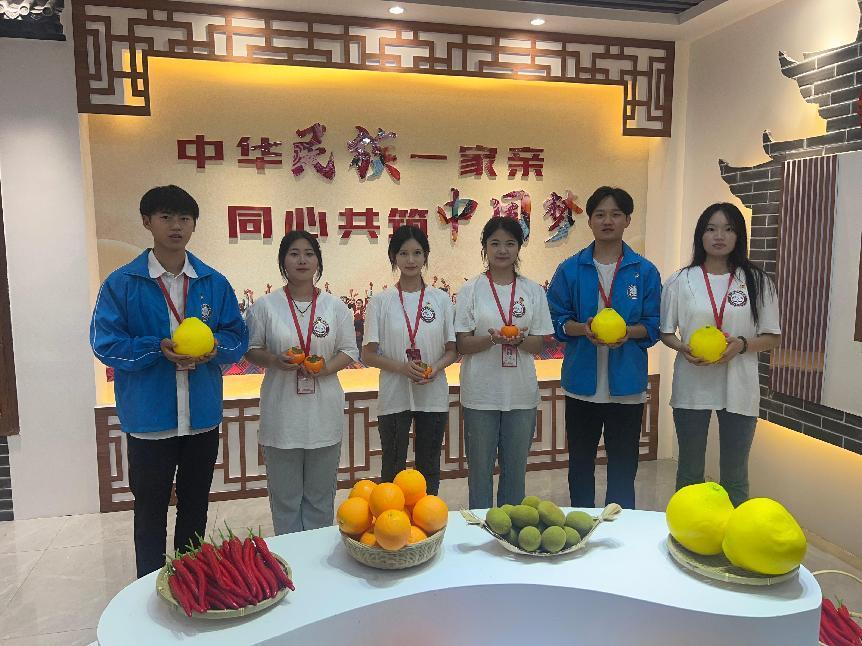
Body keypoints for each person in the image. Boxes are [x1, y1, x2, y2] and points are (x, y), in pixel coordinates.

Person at [90, 185, 248, 577]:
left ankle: (190, 582)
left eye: (184, 218)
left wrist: (215, 348)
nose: (176, 226)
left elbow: (237, 335)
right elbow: (104, 343)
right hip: (149, 421)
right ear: (147, 222)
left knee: (195, 506)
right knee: (149, 511)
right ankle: (148, 588)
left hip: (201, 419)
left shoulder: (213, 282)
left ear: (194, 224)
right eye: (165, 217)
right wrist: (154, 348)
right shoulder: (122, 283)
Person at [547, 186, 661, 510]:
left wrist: (628, 332)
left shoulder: (644, 271)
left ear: (627, 220)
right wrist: (582, 329)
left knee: (623, 470)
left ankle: (620, 532)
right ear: (590, 221)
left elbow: (654, 325)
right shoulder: (570, 269)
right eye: (600, 214)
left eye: (615, 214)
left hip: (627, 387)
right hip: (581, 386)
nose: (607, 221)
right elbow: (555, 320)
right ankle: (582, 527)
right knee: (580, 466)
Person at [660, 202, 781, 506]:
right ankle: (686, 530)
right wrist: (682, 347)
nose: (719, 236)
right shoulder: (680, 281)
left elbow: (772, 337)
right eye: (711, 229)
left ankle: (733, 531)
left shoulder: (756, 281)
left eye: (728, 229)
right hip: (692, 385)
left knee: (735, 474)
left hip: (739, 385)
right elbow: (666, 332)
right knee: (689, 471)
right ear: (700, 235)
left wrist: (742, 345)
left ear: (739, 236)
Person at [245, 231, 358, 534]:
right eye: (294, 253)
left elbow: (349, 350)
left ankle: (315, 555)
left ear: (318, 261)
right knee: (285, 499)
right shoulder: (265, 306)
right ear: (283, 261)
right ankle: (289, 556)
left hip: (324, 413)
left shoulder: (335, 307)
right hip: (282, 414)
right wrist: (274, 360)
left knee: (321, 498)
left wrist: (325, 369)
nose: (302, 260)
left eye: (309, 253)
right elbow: (251, 349)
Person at [455, 216, 554, 508]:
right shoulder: (471, 290)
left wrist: (518, 341)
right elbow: (462, 344)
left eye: (510, 243)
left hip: (521, 395)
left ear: (519, 247)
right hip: (480, 395)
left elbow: (539, 344)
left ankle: (510, 529)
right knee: (480, 473)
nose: (502, 250)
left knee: (515, 474)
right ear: (485, 247)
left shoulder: (532, 291)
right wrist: (492, 340)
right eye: (495, 243)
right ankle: (480, 529)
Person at [361, 225, 458, 494]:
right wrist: (402, 368)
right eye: (403, 253)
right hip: (394, 396)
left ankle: (428, 518)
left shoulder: (440, 300)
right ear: (393, 257)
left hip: (433, 394)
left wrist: (435, 368)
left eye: (417, 253)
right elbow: (367, 354)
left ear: (425, 256)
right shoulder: (380, 302)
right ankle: (391, 518)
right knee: (392, 468)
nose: (411, 260)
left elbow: (453, 350)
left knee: (429, 466)